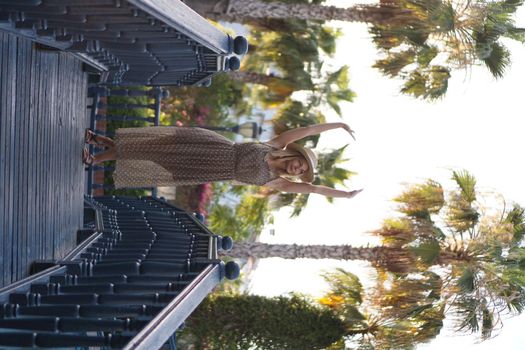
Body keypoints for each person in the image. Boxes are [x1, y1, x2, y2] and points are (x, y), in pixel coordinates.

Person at [83, 123, 362, 198]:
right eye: (302, 162)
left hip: (206, 168)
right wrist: (338, 125)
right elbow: (310, 130)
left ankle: (99, 143)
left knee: (154, 157)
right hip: (211, 145)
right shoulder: (276, 144)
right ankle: (96, 157)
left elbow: (314, 189)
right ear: (296, 156)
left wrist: (345, 195)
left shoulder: (278, 183)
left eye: (302, 170)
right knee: (154, 145)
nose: (299, 167)